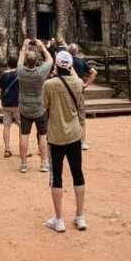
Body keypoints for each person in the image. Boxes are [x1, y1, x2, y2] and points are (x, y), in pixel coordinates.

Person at [42, 50, 87, 233]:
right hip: (75, 134)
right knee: (78, 173)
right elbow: (81, 100)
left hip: (56, 136)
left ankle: (59, 219)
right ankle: (80, 216)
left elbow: (45, 106)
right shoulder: (78, 83)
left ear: (56, 66)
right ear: (70, 66)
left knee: (57, 177)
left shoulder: (49, 85)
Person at [17, 38, 53, 174]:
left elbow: (20, 60)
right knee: (43, 135)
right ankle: (44, 163)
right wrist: (42, 47)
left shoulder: (20, 71)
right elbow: (50, 60)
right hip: (39, 107)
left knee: (24, 135)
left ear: (26, 61)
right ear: (36, 61)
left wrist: (24, 47)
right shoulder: (40, 73)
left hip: (25, 108)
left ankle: (24, 164)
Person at [69, 44, 97, 150]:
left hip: (66, 90)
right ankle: (82, 142)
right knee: (81, 118)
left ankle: (69, 141)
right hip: (79, 90)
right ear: (77, 52)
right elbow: (94, 72)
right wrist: (86, 84)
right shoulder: (81, 61)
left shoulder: (66, 62)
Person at [0, 56, 20, 158]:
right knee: (22, 127)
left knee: (6, 126)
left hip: (6, 103)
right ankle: (22, 149)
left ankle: (7, 149)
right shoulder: (19, 74)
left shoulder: (4, 74)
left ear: (8, 63)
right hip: (17, 103)